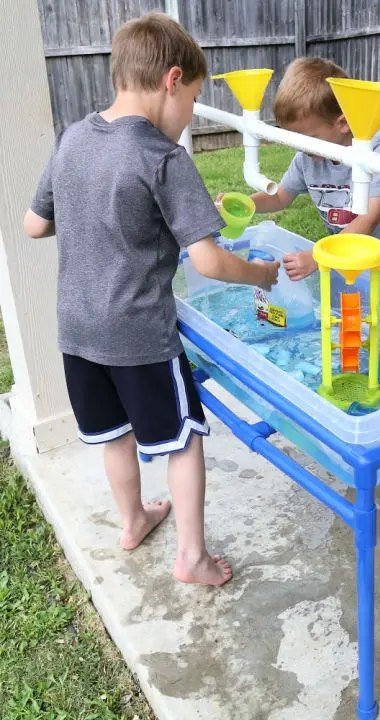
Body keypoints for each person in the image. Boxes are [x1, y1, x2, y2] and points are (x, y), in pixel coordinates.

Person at [23, 12, 279, 586]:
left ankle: (133, 519)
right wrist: (261, 274)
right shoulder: (163, 158)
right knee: (182, 440)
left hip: (78, 329)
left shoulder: (72, 138)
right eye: (191, 97)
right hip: (139, 333)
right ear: (171, 79)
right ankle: (192, 556)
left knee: (115, 433)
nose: (189, 113)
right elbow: (210, 260)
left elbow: (33, 225)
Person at [243, 57, 380, 289]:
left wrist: (317, 257)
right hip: (346, 247)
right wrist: (246, 204)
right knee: (350, 308)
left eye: (309, 138)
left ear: (342, 123)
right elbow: (280, 196)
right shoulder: (307, 157)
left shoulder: (379, 151)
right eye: (294, 139)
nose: (300, 147)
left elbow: (369, 218)